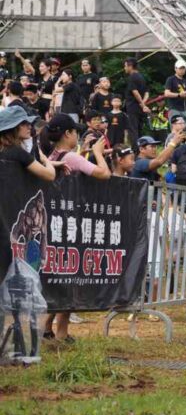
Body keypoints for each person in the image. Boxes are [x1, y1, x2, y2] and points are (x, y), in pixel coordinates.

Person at [40, 113, 111, 342]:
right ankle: (62, 333)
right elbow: (104, 174)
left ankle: (47, 327)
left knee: (57, 277)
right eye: (75, 132)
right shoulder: (69, 157)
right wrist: (98, 154)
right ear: (68, 133)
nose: (77, 136)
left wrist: (85, 151)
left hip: (53, 224)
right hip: (69, 225)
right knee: (69, 277)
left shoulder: (52, 155)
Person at [0, 107, 60, 181]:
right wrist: (44, 159)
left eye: (28, 123)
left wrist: (50, 163)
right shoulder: (17, 152)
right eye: (23, 124)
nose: (30, 126)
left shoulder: (4, 149)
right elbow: (50, 175)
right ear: (12, 128)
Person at [123, 58, 150, 149]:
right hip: (140, 108)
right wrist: (143, 104)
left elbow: (135, 92)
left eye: (125, 66)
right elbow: (147, 92)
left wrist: (142, 104)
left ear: (130, 66)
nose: (125, 68)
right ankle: (143, 148)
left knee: (133, 130)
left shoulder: (132, 77)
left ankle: (136, 150)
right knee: (139, 129)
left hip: (133, 107)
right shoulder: (141, 76)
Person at [164, 60, 186, 129]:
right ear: (175, 69)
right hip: (173, 108)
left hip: (184, 109)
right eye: (180, 68)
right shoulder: (170, 79)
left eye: (183, 68)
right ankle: (175, 139)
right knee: (176, 126)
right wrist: (179, 95)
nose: (182, 70)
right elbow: (166, 93)